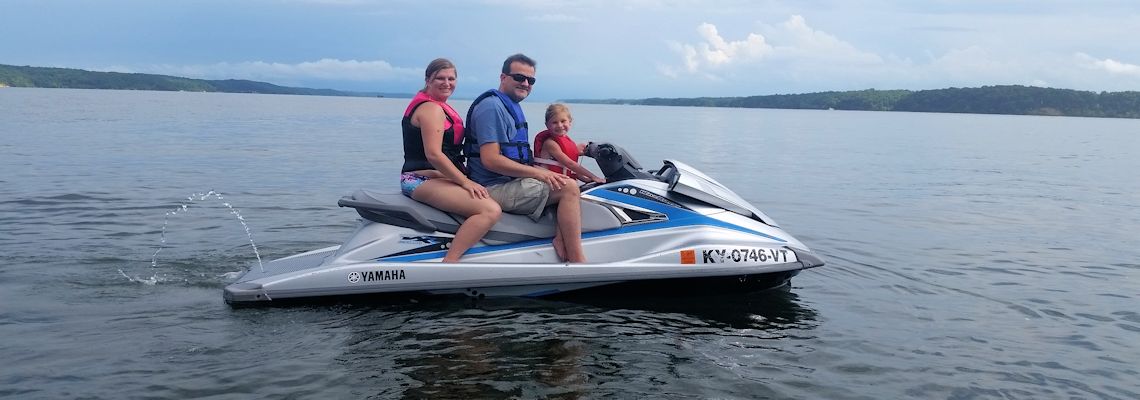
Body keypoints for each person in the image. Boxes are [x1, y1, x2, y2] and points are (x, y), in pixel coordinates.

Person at [464, 54, 586, 263]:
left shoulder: (508, 105)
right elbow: (491, 160)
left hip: (508, 181)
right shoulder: (492, 108)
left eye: (531, 80)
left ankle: (559, 237)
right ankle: (577, 260)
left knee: (568, 183)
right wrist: (540, 173)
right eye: (519, 77)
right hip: (492, 187)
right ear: (503, 77)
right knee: (569, 187)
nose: (526, 83)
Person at [400, 58, 501, 262]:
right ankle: (450, 262)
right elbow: (434, 155)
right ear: (428, 80)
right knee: (490, 210)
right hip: (419, 181)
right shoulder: (431, 109)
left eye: (451, 78)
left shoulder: (438, 106)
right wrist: (465, 182)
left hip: (437, 179)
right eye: (440, 78)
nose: (447, 83)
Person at [533, 103, 605, 184]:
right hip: (549, 183)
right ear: (547, 125)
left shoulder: (565, 140)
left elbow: (569, 169)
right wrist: (594, 177)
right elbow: (570, 164)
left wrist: (586, 179)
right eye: (554, 122)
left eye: (563, 121)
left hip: (561, 181)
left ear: (570, 122)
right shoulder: (550, 144)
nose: (560, 125)